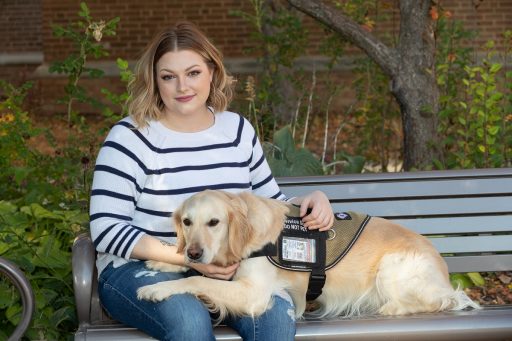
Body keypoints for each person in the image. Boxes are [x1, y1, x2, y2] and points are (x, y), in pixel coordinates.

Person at [89, 21, 334, 341]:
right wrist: (190, 258)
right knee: (189, 320)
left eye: (193, 73)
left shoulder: (236, 131)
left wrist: (311, 200)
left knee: (274, 318)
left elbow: (270, 200)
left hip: (230, 266)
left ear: (212, 73)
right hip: (137, 269)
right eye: (168, 77)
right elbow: (106, 230)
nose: (182, 87)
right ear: (154, 81)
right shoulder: (130, 139)